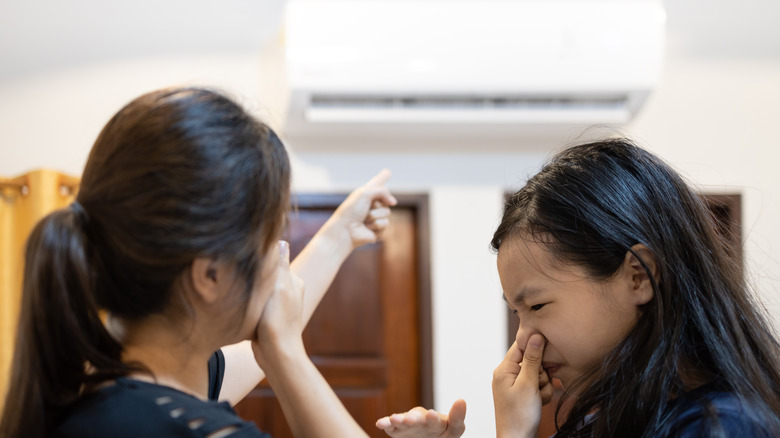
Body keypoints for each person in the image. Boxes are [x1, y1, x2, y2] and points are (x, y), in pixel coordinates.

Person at [0, 86, 397, 438]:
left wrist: (339, 237)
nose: (280, 269)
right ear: (210, 275)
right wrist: (289, 352)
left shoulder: (86, 395)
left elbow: (244, 359)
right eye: (269, 244)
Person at [376, 138, 780, 437]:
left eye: (536, 305)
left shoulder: (723, 426)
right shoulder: (606, 417)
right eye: (517, 313)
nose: (524, 337)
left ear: (640, 276)